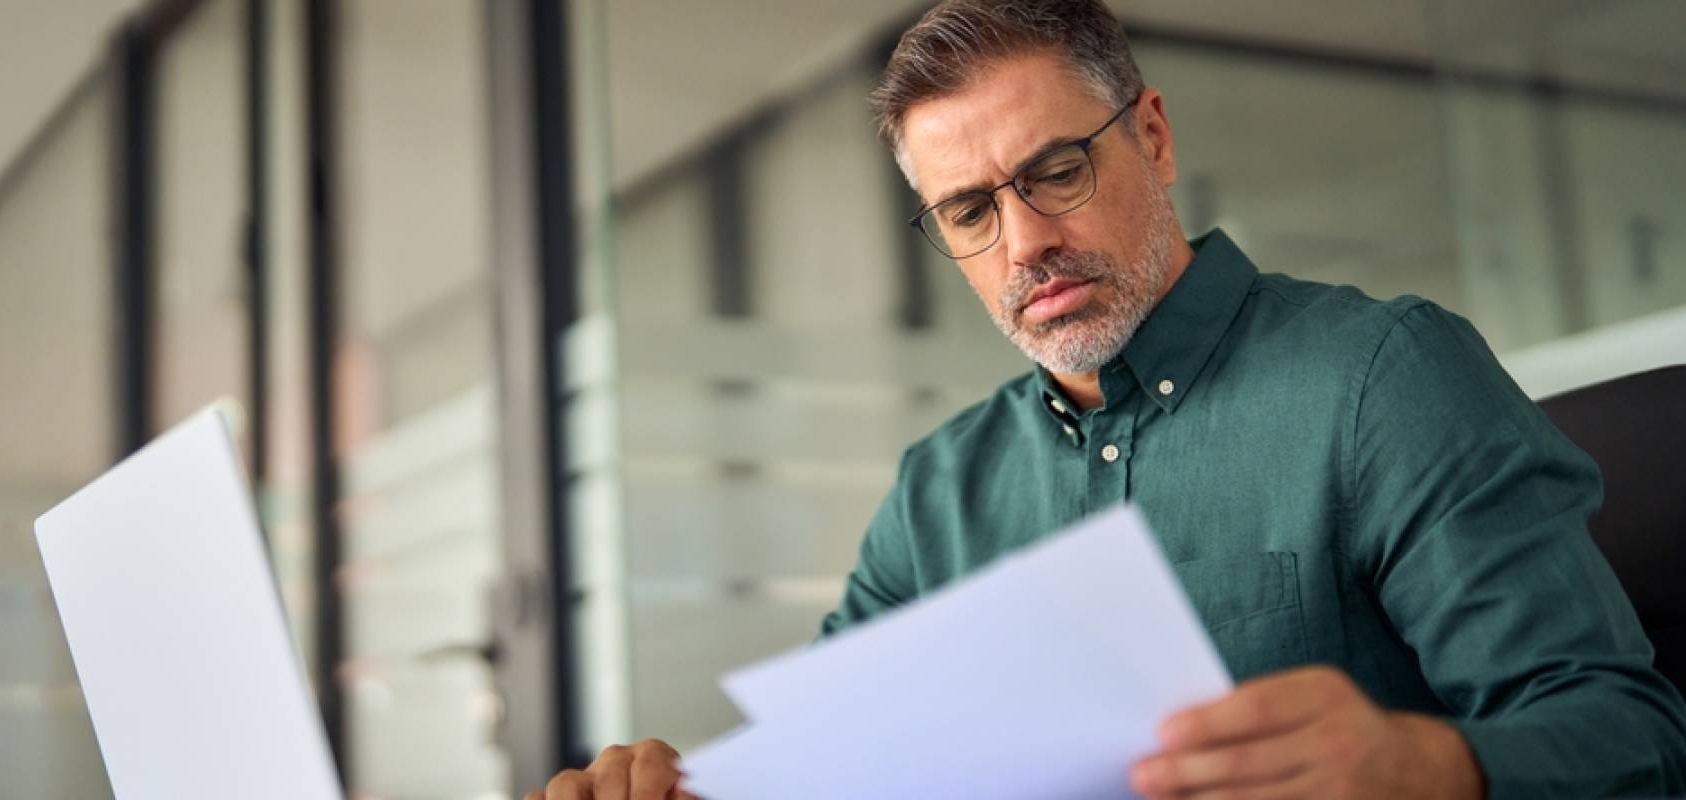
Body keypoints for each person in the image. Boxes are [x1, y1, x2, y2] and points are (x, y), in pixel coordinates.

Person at [526, 1, 1686, 798]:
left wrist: (1429, 766)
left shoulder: (1382, 379)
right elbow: (842, 770)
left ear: (1154, 135)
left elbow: (1633, 737)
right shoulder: (938, 494)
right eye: (970, 211)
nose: (1026, 242)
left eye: (1056, 172)